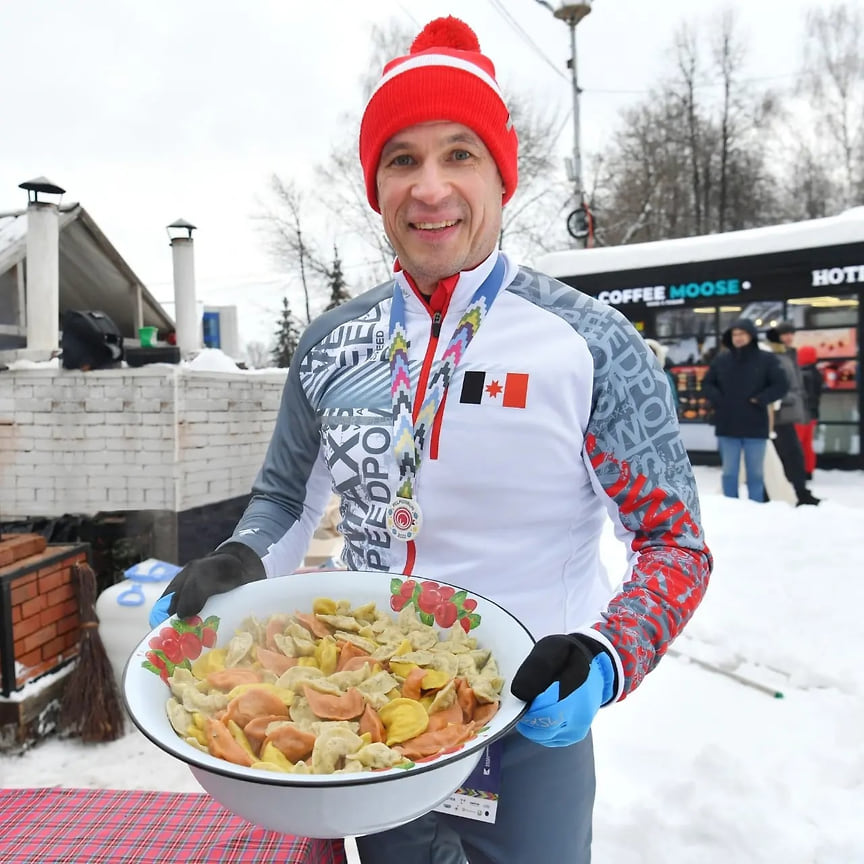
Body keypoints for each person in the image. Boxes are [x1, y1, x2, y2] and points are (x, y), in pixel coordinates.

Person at [150, 17, 712, 863]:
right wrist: (242, 558)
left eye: (460, 153)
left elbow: (674, 543)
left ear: (501, 177)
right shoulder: (332, 344)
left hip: (527, 722)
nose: (430, 187)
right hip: (363, 720)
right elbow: (283, 500)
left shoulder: (590, 343)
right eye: (402, 160)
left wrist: (603, 656)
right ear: (376, 188)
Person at [701, 318, 788, 502]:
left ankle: (755, 508)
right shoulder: (722, 360)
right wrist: (719, 399)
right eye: (734, 334)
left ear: (751, 335)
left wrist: (761, 399)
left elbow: (781, 385)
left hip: (755, 424)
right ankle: (730, 507)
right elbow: (707, 383)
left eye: (742, 334)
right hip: (727, 423)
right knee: (729, 473)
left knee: (755, 474)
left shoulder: (766, 359)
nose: (738, 338)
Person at [765, 322, 820, 506]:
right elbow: (772, 385)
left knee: (792, 454)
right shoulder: (772, 356)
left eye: (790, 333)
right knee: (785, 455)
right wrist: (785, 397)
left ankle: (798, 492)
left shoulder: (790, 354)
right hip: (777, 415)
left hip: (791, 413)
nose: (788, 337)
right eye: (784, 334)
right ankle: (794, 493)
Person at [795, 344, 822, 480]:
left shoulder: (802, 374)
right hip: (812, 414)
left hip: (802, 414)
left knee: (797, 444)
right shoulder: (816, 373)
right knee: (807, 444)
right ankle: (808, 470)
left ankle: (798, 470)